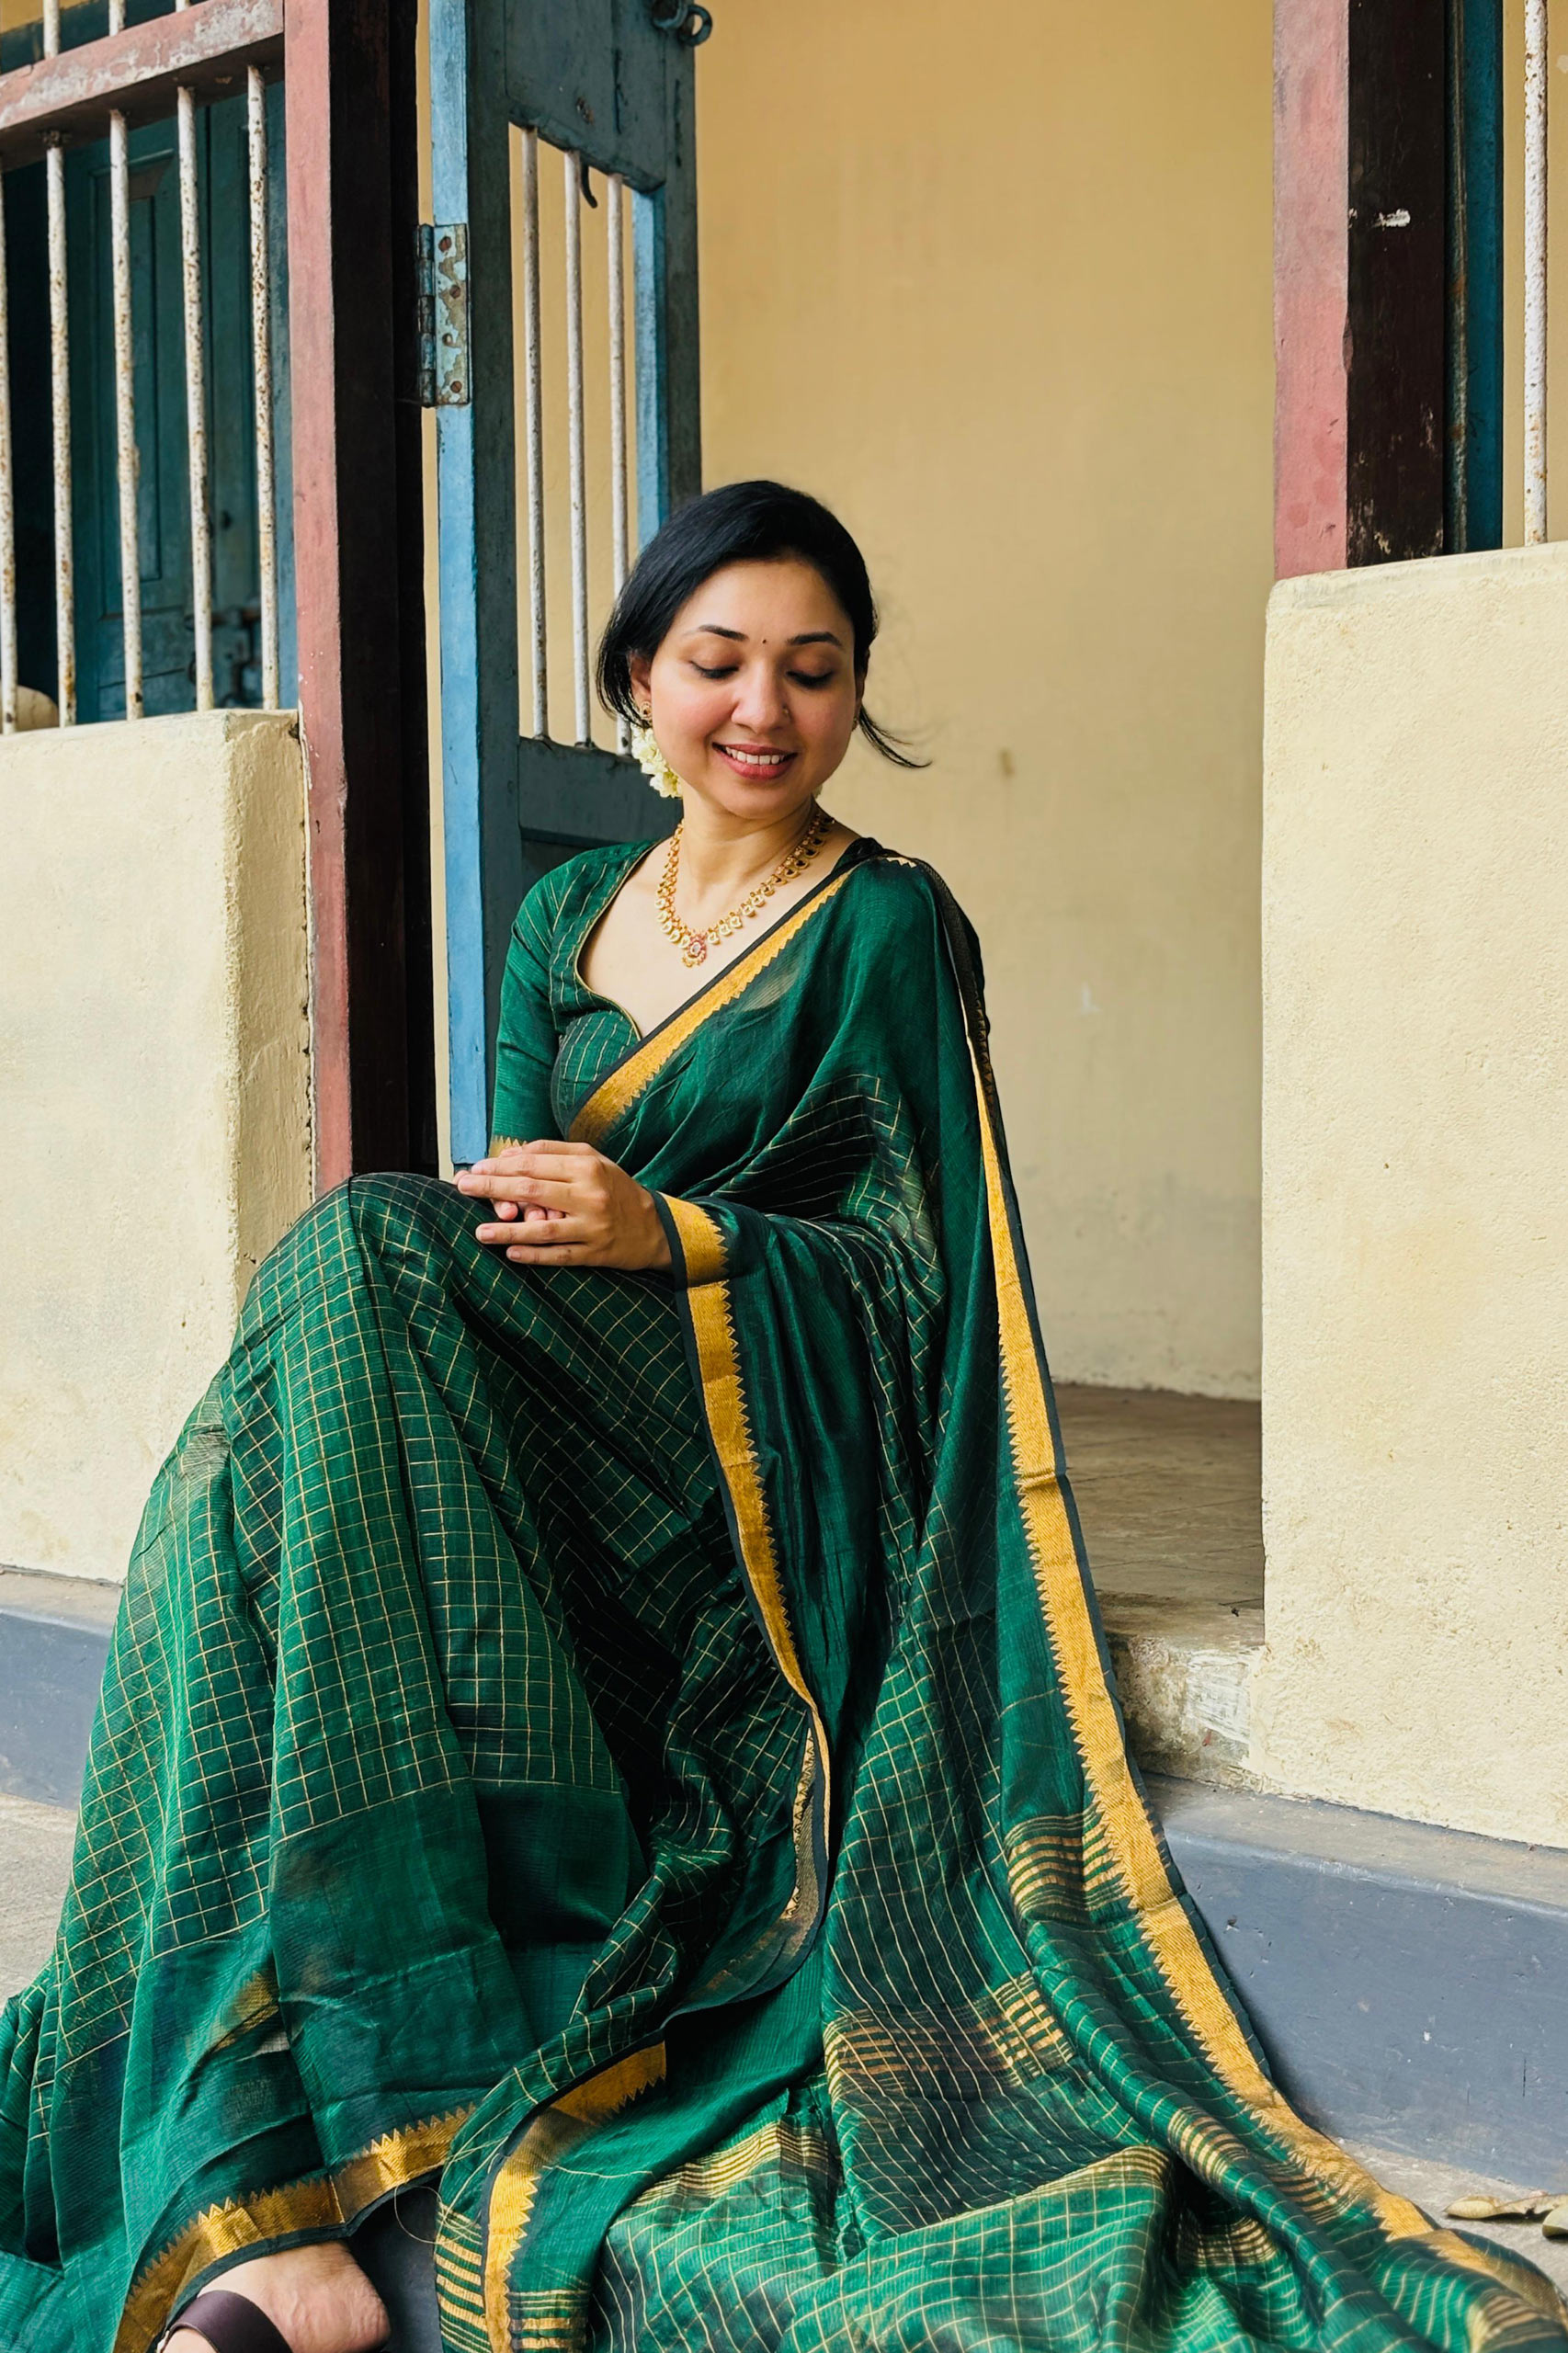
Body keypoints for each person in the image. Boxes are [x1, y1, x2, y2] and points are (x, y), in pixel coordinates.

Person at [0, 481, 1562, 2353]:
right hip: (553, 1437)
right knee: (309, 1389)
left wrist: (681, 1231)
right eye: (717, 662)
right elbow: (507, 1212)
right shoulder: (569, 908)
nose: (763, 707)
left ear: (854, 698)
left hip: (754, 1482)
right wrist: (557, 1233)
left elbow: (922, 1282)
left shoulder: (886, 928)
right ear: (635, 685)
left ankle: (285, 2195)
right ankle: (296, 2192)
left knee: (340, 1286)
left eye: (812, 672)